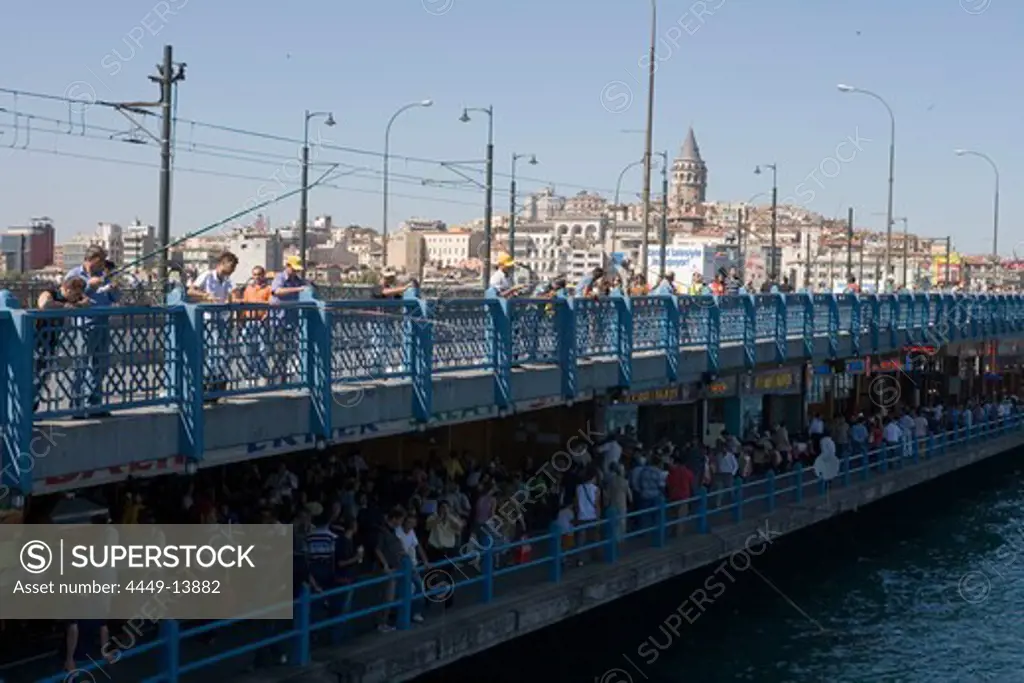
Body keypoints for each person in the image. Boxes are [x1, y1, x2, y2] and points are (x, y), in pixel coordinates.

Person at [64, 245, 120, 415]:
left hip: (102, 323)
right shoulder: (74, 275)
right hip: (84, 325)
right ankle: (77, 405)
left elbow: (115, 298)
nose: (103, 264)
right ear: (93, 259)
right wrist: (89, 286)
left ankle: (94, 403)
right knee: (81, 364)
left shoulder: (104, 276)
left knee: (100, 365)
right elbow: (70, 297)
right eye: (101, 260)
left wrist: (115, 289)